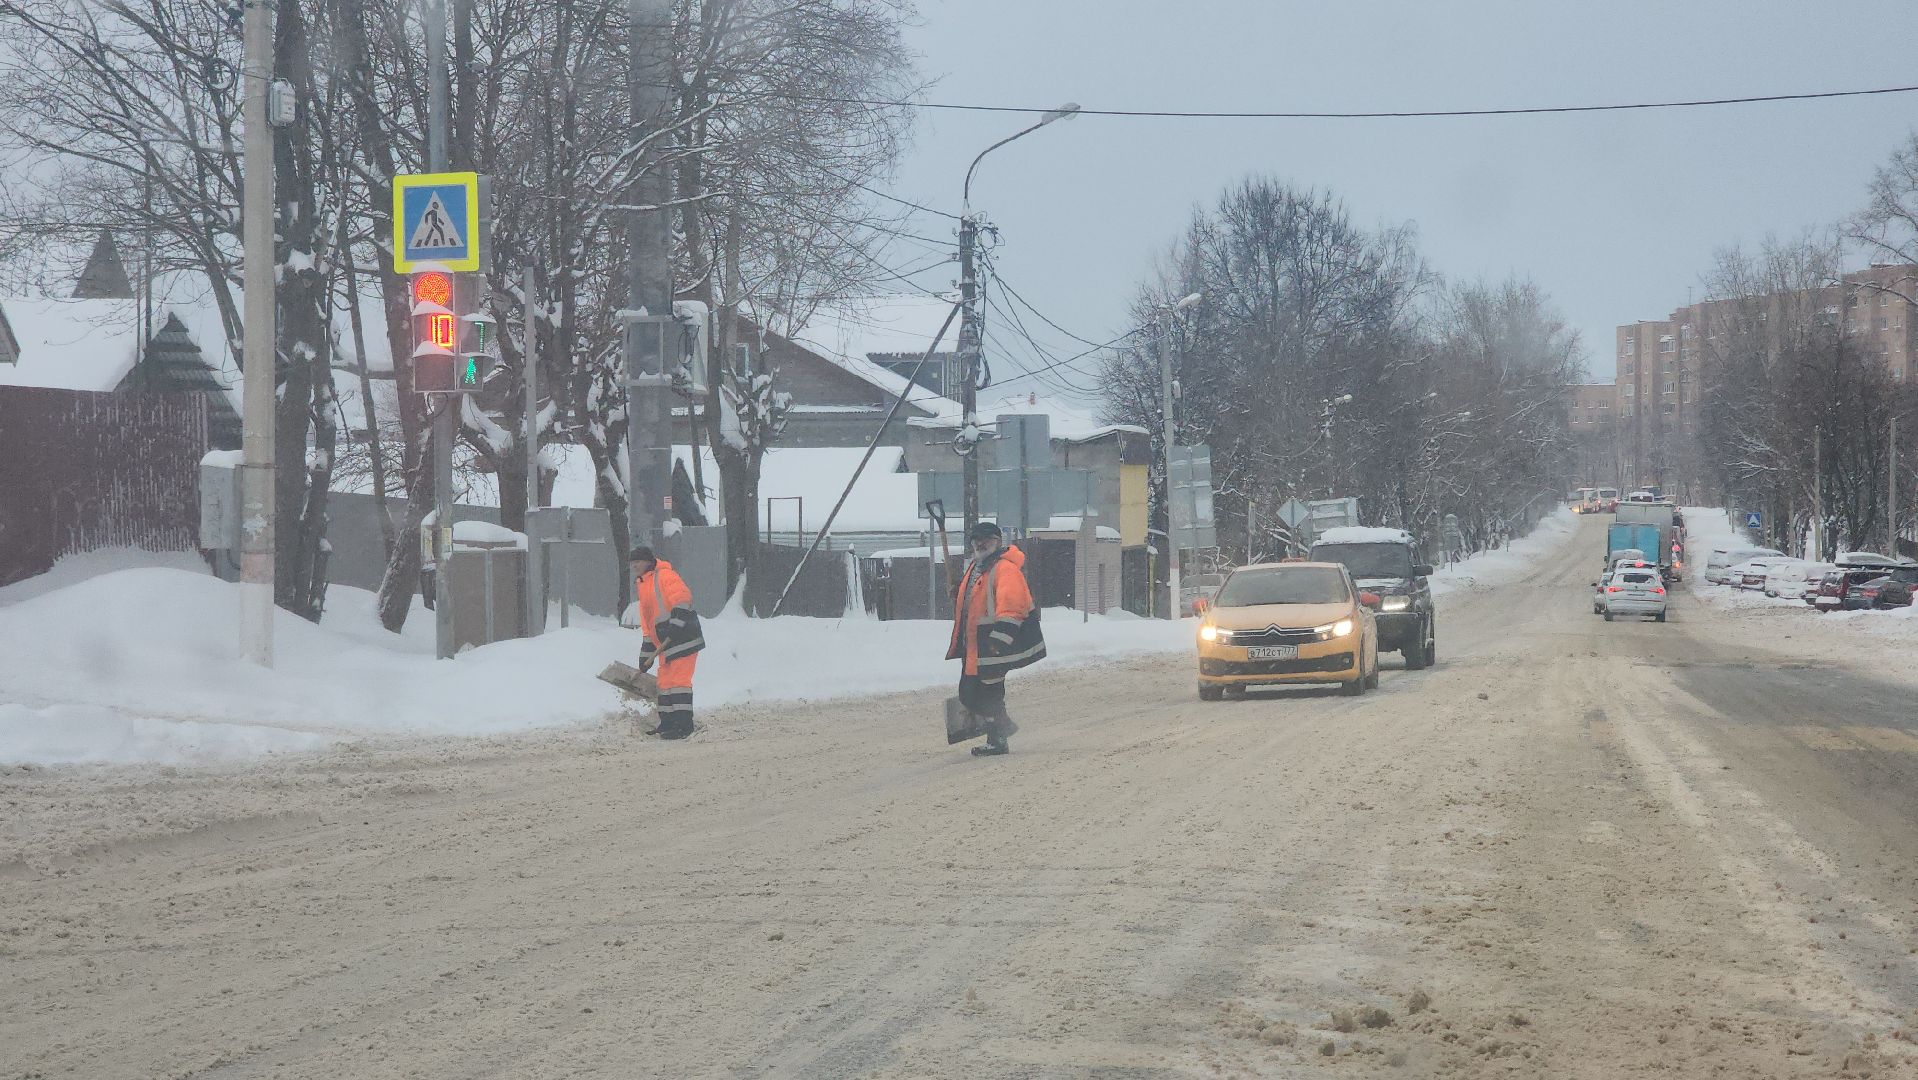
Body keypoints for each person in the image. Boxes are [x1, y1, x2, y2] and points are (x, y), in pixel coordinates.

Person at [946, 521, 1045, 756]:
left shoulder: (1005, 569)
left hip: (991, 643)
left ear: (998, 542)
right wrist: (959, 591)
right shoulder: (978, 567)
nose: (981, 544)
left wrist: (999, 640)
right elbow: (977, 599)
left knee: (987, 693)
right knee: (972, 693)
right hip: (975, 645)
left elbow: (1013, 607)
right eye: (976, 540)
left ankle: (1000, 734)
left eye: (987, 540)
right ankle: (1000, 733)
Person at [629, 545, 704, 740]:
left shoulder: (665, 576)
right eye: (632, 562)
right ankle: (668, 723)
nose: (634, 565)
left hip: (683, 638)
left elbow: (683, 599)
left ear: (648, 562)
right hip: (665, 644)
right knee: (664, 683)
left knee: (678, 682)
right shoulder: (643, 585)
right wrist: (645, 655)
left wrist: (676, 624)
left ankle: (684, 726)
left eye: (638, 561)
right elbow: (648, 624)